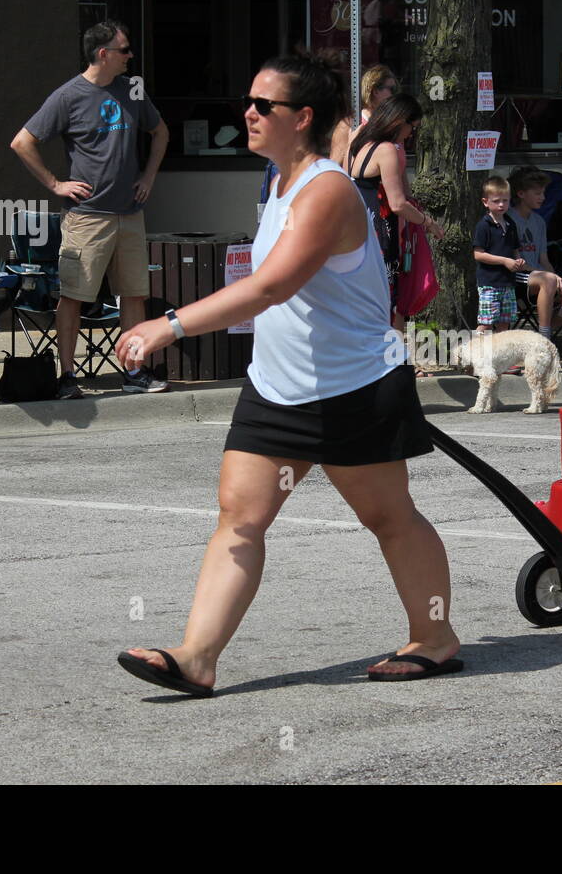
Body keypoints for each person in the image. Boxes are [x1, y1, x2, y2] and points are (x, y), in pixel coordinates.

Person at [114, 53, 462, 695]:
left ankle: (434, 637)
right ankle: (196, 657)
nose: (246, 114)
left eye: (261, 106)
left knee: (389, 516)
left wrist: (170, 324)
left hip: (353, 388)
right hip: (277, 387)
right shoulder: (276, 181)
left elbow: (272, 285)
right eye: (246, 102)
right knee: (239, 518)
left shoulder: (326, 190)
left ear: (301, 118)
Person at [11, 19, 170, 399]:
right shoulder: (68, 96)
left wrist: (148, 176)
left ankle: (134, 372)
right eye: (125, 50)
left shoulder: (132, 89)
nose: (131, 56)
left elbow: (160, 132)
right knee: (75, 296)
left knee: (133, 294)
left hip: (129, 213)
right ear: (103, 54)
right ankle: (68, 377)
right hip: (87, 216)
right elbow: (21, 142)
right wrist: (55, 184)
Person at [347, 95, 444, 293]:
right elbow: (398, 204)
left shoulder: (360, 142)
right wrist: (428, 222)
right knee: (383, 297)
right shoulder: (387, 150)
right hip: (380, 233)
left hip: (358, 229)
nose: (411, 134)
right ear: (399, 121)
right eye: (412, 127)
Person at [506, 165, 562, 337]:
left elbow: (544, 259)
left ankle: (546, 329)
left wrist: (556, 277)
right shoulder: (508, 219)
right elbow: (516, 261)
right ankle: (545, 338)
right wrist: (549, 277)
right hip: (518, 278)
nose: (543, 198)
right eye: (537, 193)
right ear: (521, 193)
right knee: (549, 281)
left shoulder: (539, 222)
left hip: (543, 278)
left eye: (544, 193)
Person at [473, 175, 524, 333]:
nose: (501, 204)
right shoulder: (484, 225)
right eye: (496, 201)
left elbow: (515, 249)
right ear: (485, 202)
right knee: (486, 323)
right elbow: (478, 255)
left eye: (505, 200)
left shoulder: (511, 223)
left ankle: (501, 355)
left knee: (505, 323)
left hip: (508, 283)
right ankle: (473, 353)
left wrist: (518, 260)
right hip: (489, 283)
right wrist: (504, 261)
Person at [336, 63, 397, 167]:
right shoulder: (349, 125)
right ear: (376, 91)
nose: (395, 94)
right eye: (392, 89)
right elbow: (335, 165)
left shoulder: (394, 124)